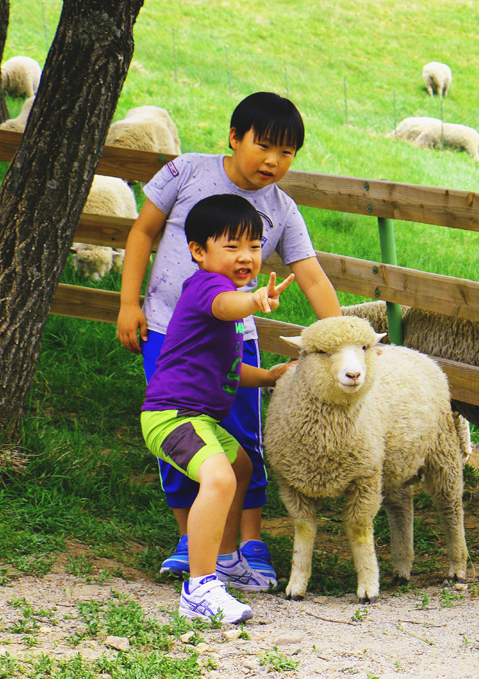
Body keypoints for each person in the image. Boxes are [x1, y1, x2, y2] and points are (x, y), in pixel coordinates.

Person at [118, 92, 342, 581]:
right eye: (263, 146)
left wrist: (346, 340)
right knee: (181, 433)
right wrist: (128, 302)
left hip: (233, 338)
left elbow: (313, 277)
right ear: (234, 138)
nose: (273, 161)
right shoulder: (187, 172)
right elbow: (142, 232)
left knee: (242, 436)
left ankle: (248, 541)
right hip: (165, 331)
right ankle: (188, 538)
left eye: (287, 153)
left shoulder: (282, 209)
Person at [142, 193, 295, 622]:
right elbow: (228, 304)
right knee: (219, 477)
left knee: (242, 468)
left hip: (194, 418)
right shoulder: (211, 289)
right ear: (198, 251)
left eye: (254, 246)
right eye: (232, 247)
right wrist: (255, 302)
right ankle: (199, 588)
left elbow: (227, 367)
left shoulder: (223, 297)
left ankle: (226, 560)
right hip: (171, 416)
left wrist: (266, 376)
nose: (246, 256)